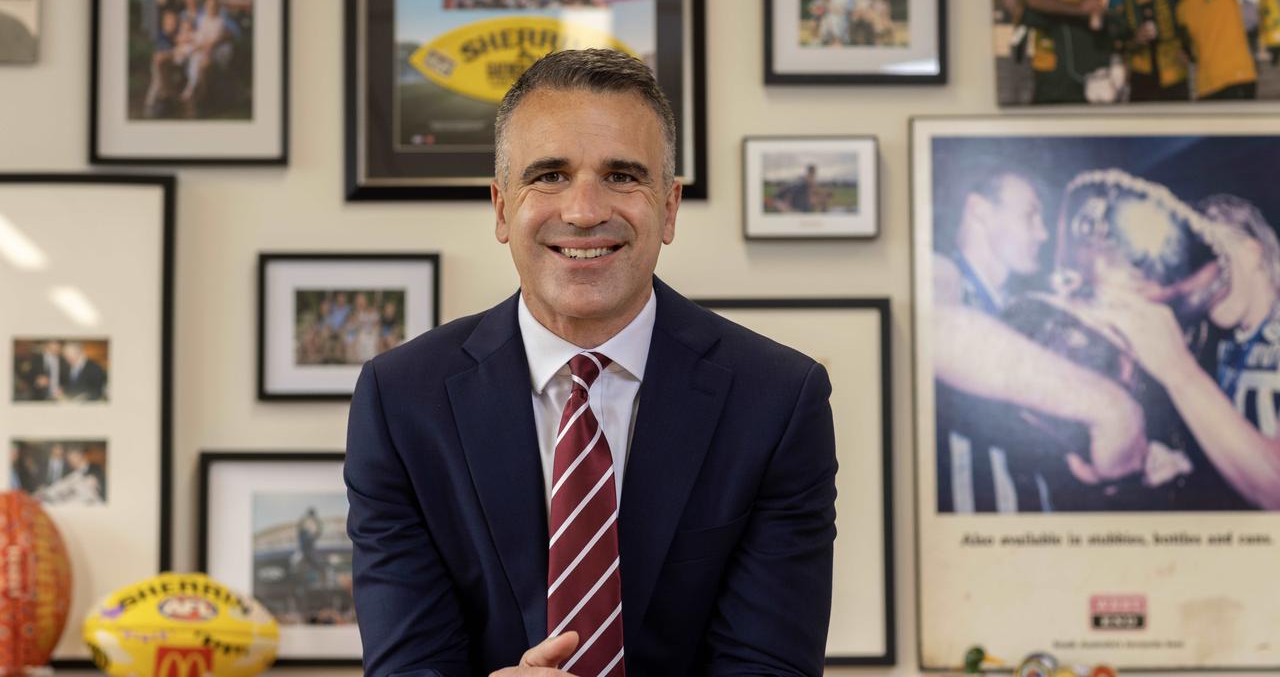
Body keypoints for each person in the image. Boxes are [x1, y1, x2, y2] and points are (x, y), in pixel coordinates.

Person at [346, 49, 836, 676]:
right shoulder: (401, 402)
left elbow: (768, 669)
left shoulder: (778, 401)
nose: (583, 210)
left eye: (622, 176)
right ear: (501, 208)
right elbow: (407, 665)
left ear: (669, 208)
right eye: (548, 175)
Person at [933, 168, 1147, 512]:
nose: (1044, 233)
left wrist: (1137, 454)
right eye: (1031, 214)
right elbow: (933, 328)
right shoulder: (940, 272)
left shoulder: (1020, 309)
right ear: (980, 211)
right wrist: (1112, 408)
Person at [1098, 194, 1280, 509]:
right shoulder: (1228, 348)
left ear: (1251, 253)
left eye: (1214, 257)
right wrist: (1189, 465)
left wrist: (1179, 371)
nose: (1200, 280)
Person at [997, 0, 1118, 104]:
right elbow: (1020, 9)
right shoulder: (1063, 18)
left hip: (1099, 98)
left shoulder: (1112, 18)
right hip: (1056, 88)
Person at [1175, 0, 1262, 100]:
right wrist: (1184, 55)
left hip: (1237, 78)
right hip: (1205, 88)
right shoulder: (1182, 8)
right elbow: (1190, 50)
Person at [1109, 0, 1190, 101]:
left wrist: (1189, 52)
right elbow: (1115, 43)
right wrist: (1135, 41)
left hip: (1175, 73)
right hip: (1140, 77)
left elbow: (1193, 20)